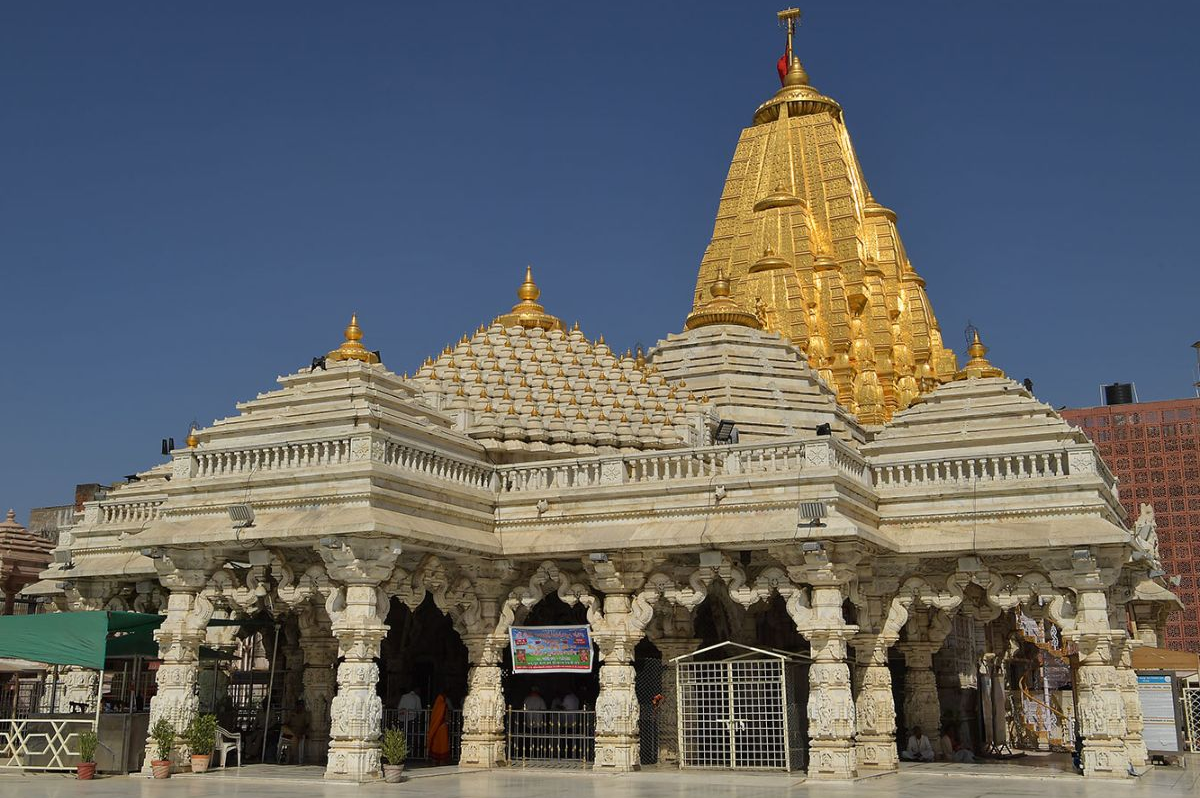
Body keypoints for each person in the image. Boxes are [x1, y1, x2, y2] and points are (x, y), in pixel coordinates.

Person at [280, 699, 310, 764]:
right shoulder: (292, 713)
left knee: (294, 738)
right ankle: (292, 757)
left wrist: (303, 733)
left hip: (299, 732)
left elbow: (306, 725)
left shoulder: (305, 714)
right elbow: (286, 723)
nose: (299, 707)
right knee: (284, 728)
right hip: (289, 733)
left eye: (300, 705)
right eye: (297, 705)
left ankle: (293, 758)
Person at [427, 693, 451, 765]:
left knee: (436, 744)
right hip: (443, 727)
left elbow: (434, 718)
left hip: (436, 728)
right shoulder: (444, 706)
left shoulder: (436, 707)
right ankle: (442, 761)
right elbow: (446, 717)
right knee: (443, 743)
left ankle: (435, 760)